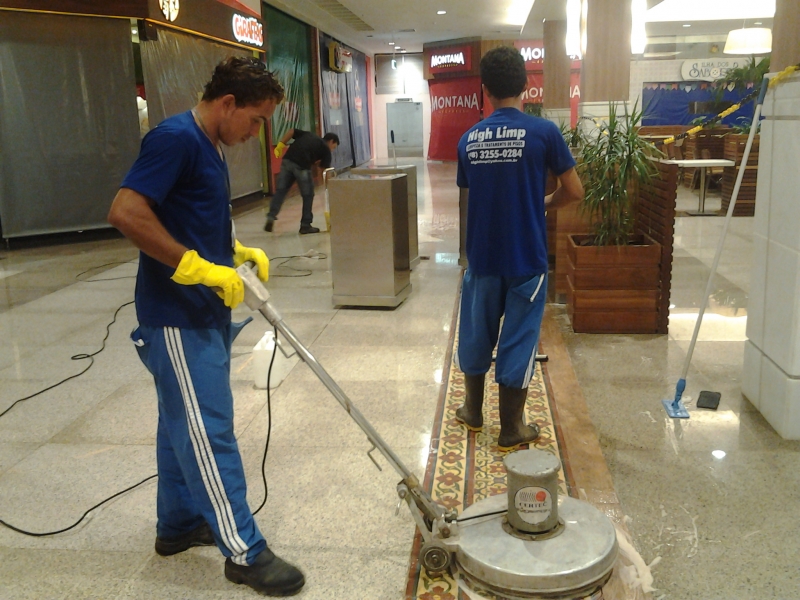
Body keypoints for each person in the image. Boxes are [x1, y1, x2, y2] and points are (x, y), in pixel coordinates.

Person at [107, 57, 305, 597]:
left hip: (205, 310)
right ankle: (244, 551)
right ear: (227, 104)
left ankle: (177, 526)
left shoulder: (210, 146)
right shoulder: (174, 139)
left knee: (179, 423)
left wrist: (232, 253)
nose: (257, 134)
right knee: (207, 429)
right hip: (176, 315)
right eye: (257, 121)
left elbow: (189, 218)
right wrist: (192, 268)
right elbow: (126, 212)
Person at [454, 46, 584, 451]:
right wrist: (543, 204)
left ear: (485, 90)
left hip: (483, 256)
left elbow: (468, 199)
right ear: (527, 85)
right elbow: (575, 191)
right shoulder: (544, 133)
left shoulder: (468, 139)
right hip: (527, 256)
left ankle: (473, 413)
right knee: (518, 338)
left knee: (476, 333)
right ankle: (511, 429)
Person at [264, 128, 339, 234]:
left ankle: (271, 216)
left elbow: (291, 131)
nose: (332, 149)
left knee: (281, 191)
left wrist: (281, 144)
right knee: (308, 195)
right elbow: (324, 172)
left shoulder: (309, 135)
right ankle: (305, 225)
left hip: (287, 160)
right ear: (331, 141)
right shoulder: (325, 149)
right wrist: (328, 187)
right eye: (334, 147)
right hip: (302, 166)